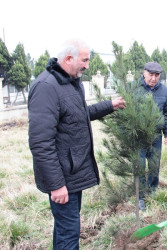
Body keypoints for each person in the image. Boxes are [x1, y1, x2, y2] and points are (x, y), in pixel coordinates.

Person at [28, 39, 126, 249]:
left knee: (66, 228)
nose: (88, 66)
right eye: (85, 60)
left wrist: (110, 105)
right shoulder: (46, 87)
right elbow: (40, 143)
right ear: (68, 58)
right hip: (62, 177)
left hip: (72, 171)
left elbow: (80, 115)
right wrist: (56, 185)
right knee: (69, 232)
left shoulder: (72, 83)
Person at [138, 62, 167, 211]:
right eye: (150, 74)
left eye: (156, 75)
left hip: (156, 135)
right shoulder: (133, 88)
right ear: (144, 73)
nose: (153, 78)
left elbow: (166, 113)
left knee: (154, 165)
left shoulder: (164, 90)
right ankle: (140, 196)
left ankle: (152, 191)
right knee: (138, 166)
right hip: (138, 135)